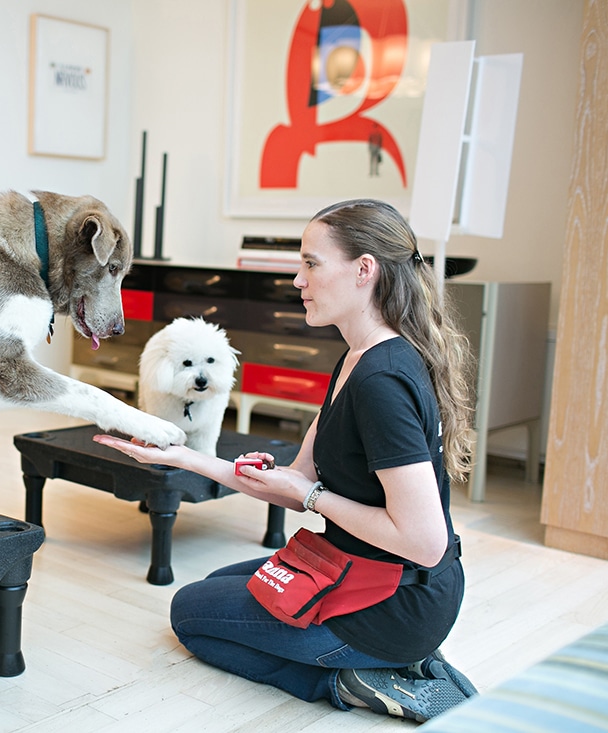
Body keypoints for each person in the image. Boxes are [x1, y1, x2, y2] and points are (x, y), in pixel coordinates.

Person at [94, 198, 477, 723]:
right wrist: (182, 455)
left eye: (311, 264)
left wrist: (312, 497)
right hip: (361, 568)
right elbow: (295, 479)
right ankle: (387, 661)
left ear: (364, 270)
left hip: (393, 602)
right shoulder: (357, 358)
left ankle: (355, 679)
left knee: (190, 614)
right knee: (215, 587)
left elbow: (424, 542)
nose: (298, 279)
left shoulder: (382, 380)